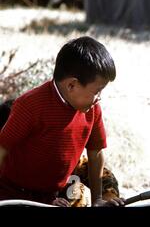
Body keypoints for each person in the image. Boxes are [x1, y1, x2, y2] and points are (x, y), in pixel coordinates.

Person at [0, 36, 124, 207]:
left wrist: (97, 200)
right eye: (97, 91)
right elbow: (2, 148)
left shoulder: (93, 109)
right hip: (13, 194)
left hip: (54, 194)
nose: (99, 98)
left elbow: (95, 153)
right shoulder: (30, 105)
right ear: (72, 85)